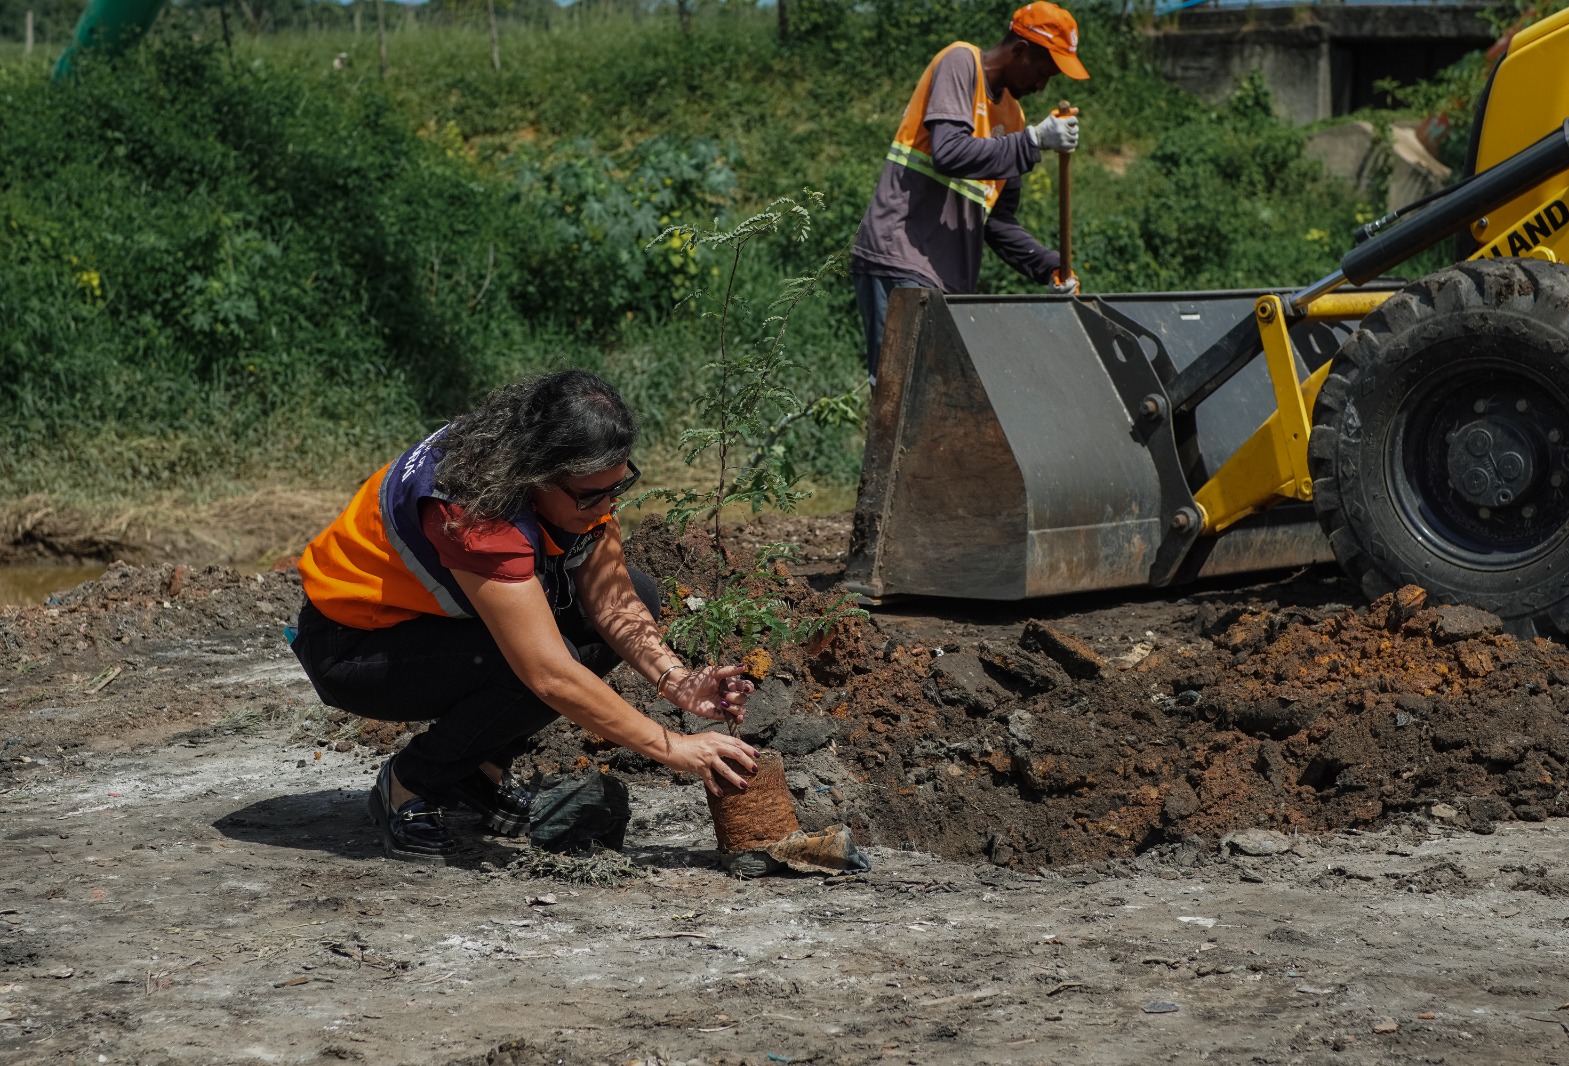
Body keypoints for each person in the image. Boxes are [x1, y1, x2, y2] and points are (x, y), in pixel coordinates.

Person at [290, 369, 760, 864]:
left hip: (428, 628)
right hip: (354, 647)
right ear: (538, 475)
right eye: (589, 496)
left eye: (615, 490)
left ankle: (478, 770)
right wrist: (672, 747)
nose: (603, 508)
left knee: (636, 592)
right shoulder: (474, 509)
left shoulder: (565, 470)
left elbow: (615, 602)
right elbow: (548, 674)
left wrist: (678, 682)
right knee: (532, 663)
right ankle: (408, 786)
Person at [850, 1, 1090, 386]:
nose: (1043, 86)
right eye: (1043, 72)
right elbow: (948, 153)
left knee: (930, 406)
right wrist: (1033, 142)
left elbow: (997, 222)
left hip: (946, 278)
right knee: (900, 398)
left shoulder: (1013, 117)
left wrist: (1049, 266)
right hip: (901, 256)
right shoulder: (961, 63)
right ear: (1020, 51)